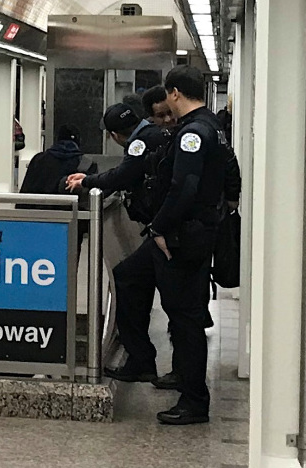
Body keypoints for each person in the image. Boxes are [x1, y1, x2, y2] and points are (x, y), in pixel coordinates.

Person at [106, 66, 227, 426]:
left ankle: (194, 401)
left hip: (181, 237)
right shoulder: (213, 127)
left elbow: (184, 188)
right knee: (129, 276)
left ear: (174, 93)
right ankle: (144, 359)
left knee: (185, 317)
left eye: (167, 99)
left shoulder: (194, 132)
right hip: (187, 232)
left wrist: (158, 226)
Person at [65, 102, 168, 226]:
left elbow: (122, 176)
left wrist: (85, 181)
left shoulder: (140, 143)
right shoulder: (154, 132)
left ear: (114, 135)